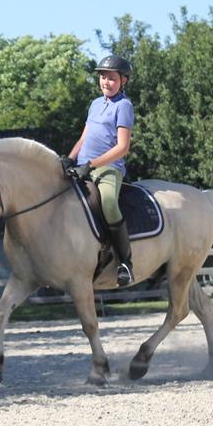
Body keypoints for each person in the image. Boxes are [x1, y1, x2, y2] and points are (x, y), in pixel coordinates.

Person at [61, 55, 136, 286]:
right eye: (103, 77)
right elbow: (85, 137)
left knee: (109, 203)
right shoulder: (95, 104)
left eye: (112, 78)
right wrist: (70, 158)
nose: (106, 82)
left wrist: (91, 165)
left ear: (123, 80)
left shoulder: (124, 106)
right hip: (82, 165)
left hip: (108, 169)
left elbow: (122, 148)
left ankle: (126, 262)